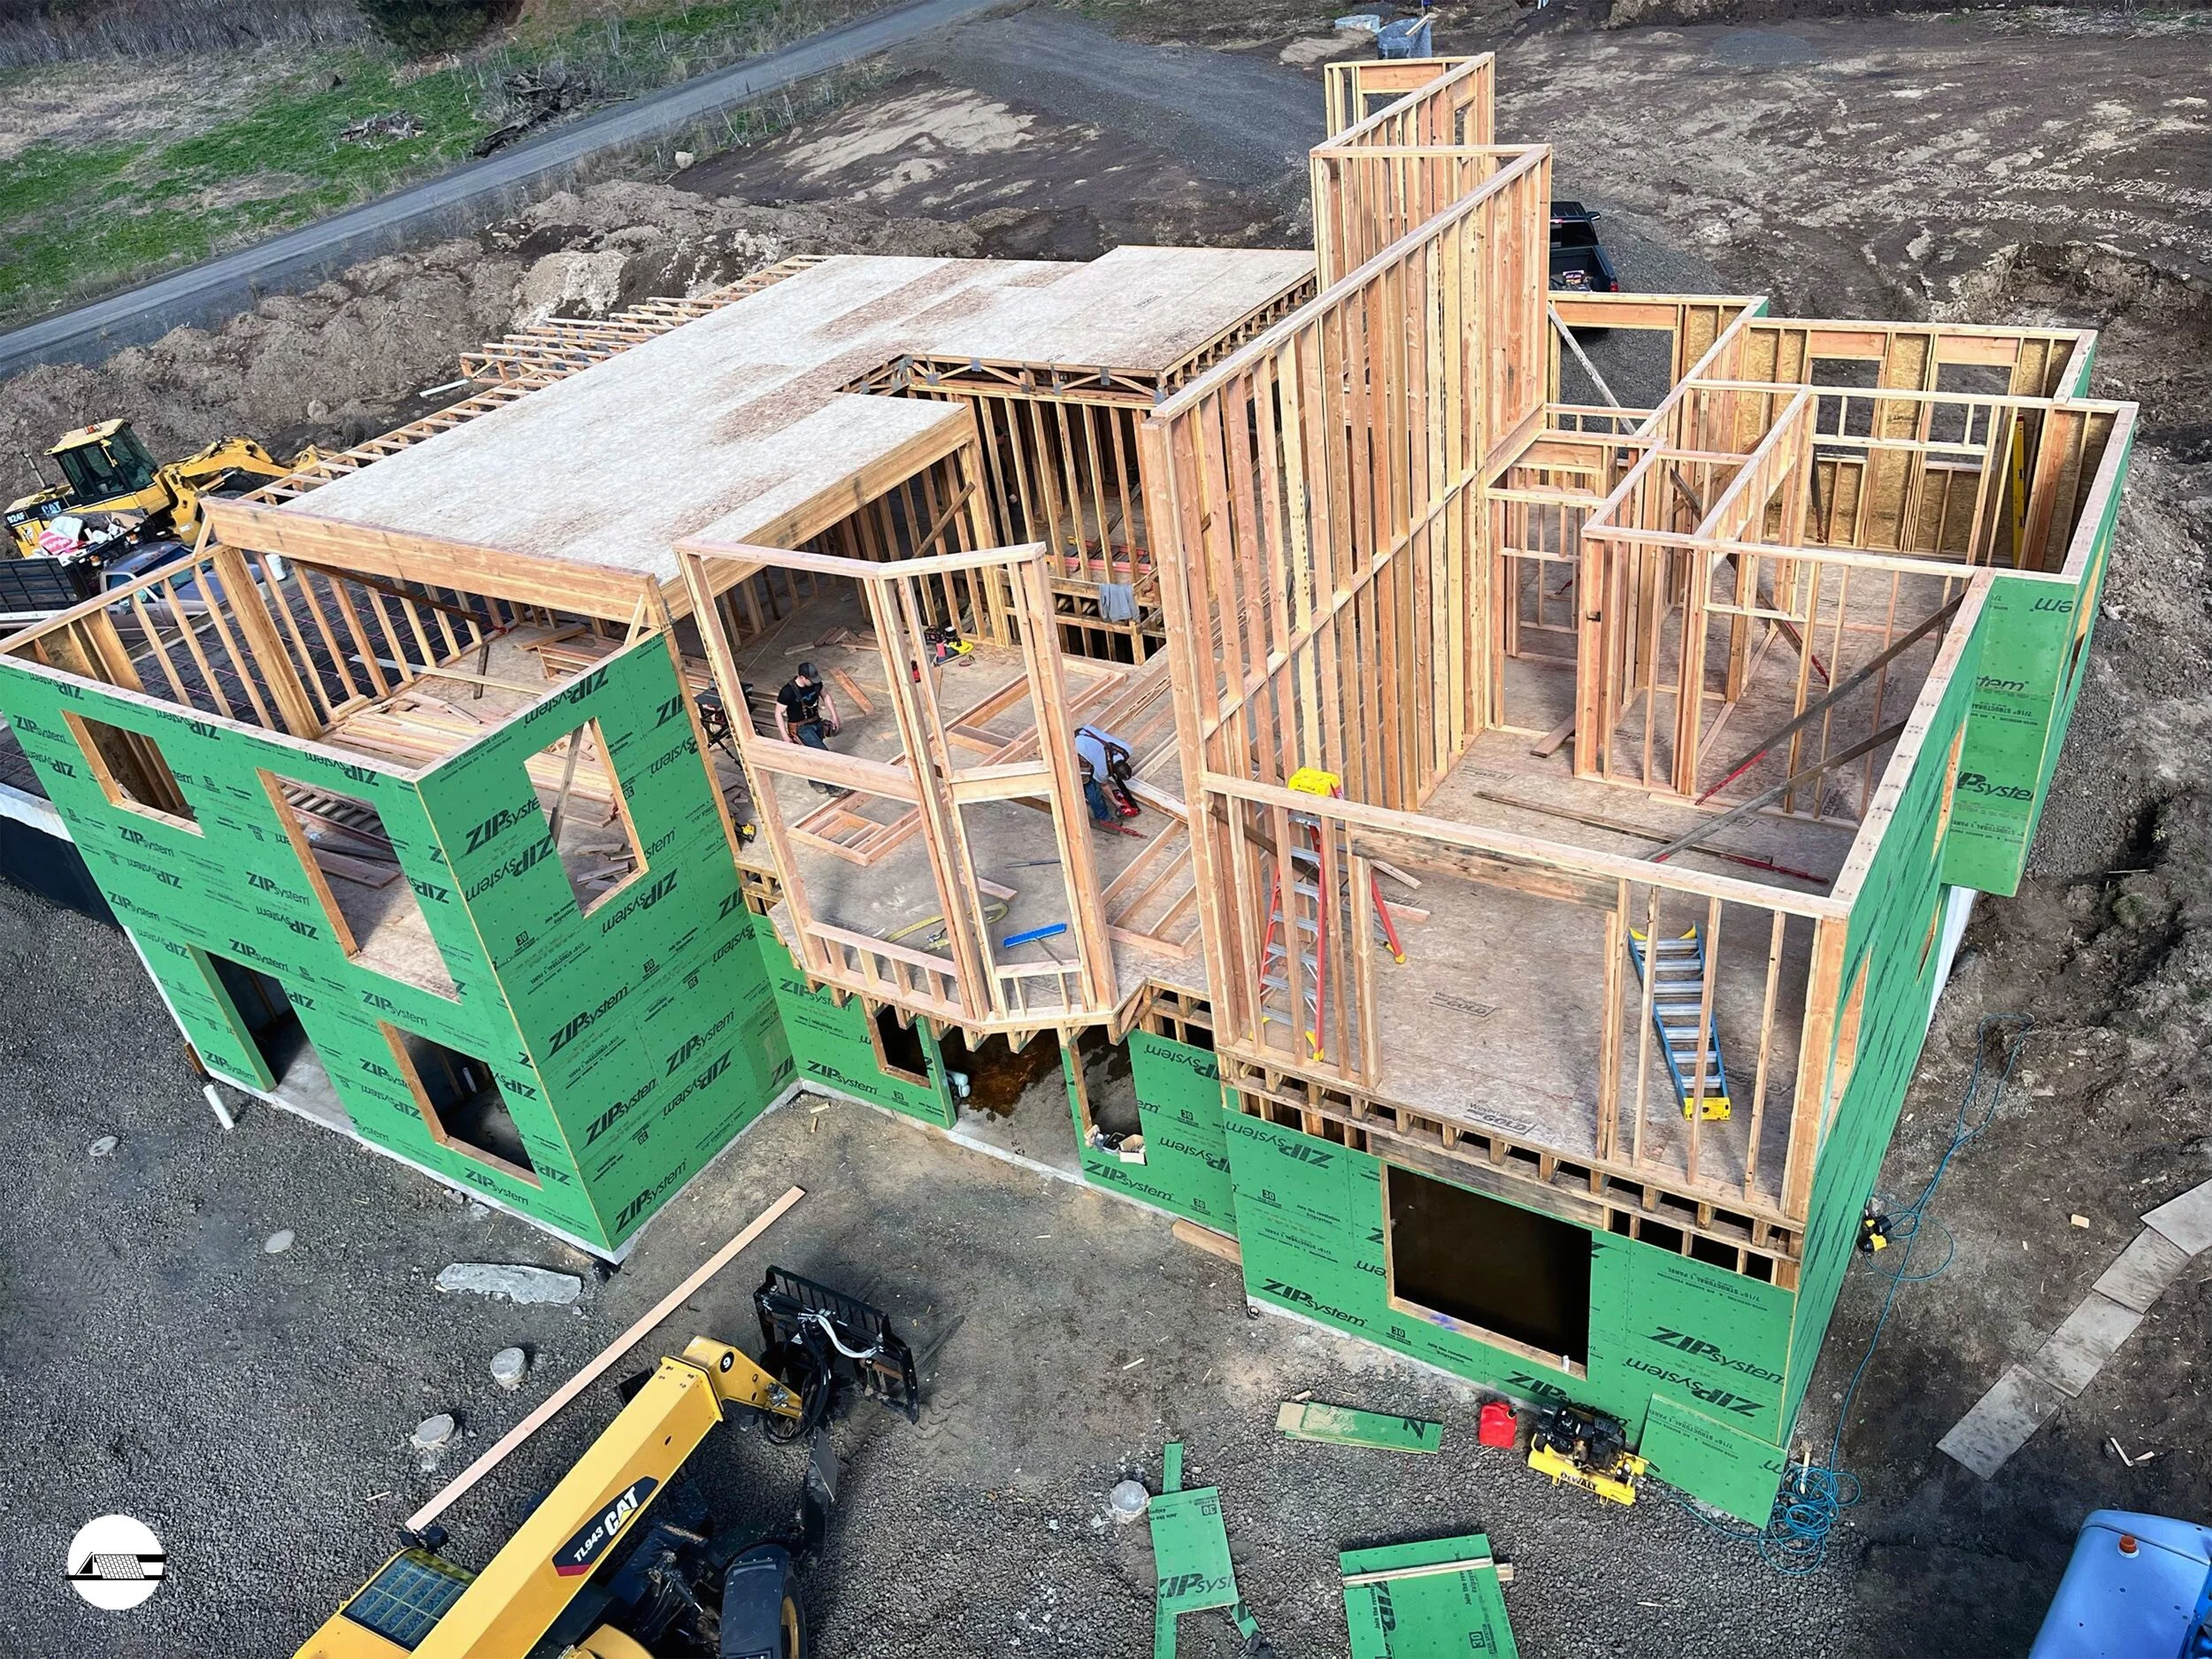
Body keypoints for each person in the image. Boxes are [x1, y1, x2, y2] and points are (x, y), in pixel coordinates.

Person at [776, 664, 843, 794]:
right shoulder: (788, 691)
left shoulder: (816, 683)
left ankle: (815, 781)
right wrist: (784, 735)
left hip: (816, 722)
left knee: (813, 754)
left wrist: (834, 716)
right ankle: (833, 788)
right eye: (811, 680)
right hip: (800, 728)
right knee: (823, 755)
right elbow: (778, 712)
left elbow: (826, 695)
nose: (814, 682)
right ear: (802, 677)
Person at [1074, 724, 1139, 826]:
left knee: (1095, 767)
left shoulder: (1127, 750)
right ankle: (1103, 817)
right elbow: (1104, 785)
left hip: (1086, 731)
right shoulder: (1102, 769)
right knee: (1092, 786)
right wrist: (1116, 803)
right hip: (1077, 745)